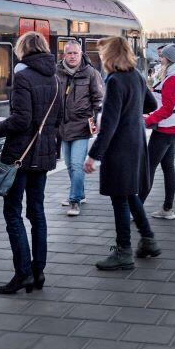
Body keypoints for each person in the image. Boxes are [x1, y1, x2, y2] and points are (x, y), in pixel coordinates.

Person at [0, 31, 63, 294]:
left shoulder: (23, 77)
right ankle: (38, 272)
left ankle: (23, 273)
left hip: (19, 156)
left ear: (23, 50)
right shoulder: (56, 78)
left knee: (13, 213)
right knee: (37, 212)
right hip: (43, 156)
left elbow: (21, 120)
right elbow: (57, 119)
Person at [85, 36, 158, 270]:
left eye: (103, 54)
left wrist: (93, 155)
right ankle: (147, 240)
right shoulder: (136, 76)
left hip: (119, 149)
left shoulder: (115, 80)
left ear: (110, 55)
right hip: (136, 143)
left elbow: (109, 125)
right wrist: (131, 110)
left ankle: (123, 252)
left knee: (120, 198)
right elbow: (151, 105)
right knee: (130, 193)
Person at [142, 43, 175, 220]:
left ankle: (137, 209)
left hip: (165, 129)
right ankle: (167, 208)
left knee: (148, 168)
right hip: (173, 127)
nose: (160, 59)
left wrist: (147, 121)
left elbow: (166, 108)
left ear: (170, 59)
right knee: (167, 167)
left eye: (163, 56)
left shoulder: (173, 79)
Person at [57, 39, 103, 217]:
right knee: (69, 165)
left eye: (76, 53)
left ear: (81, 54)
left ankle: (74, 200)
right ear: (64, 55)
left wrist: (99, 121)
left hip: (82, 126)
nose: (73, 56)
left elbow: (99, 99)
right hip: (63, 127)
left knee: (77, 164)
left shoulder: (91, 73)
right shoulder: (56, 72)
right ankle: (80, 194)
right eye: (69, 53)